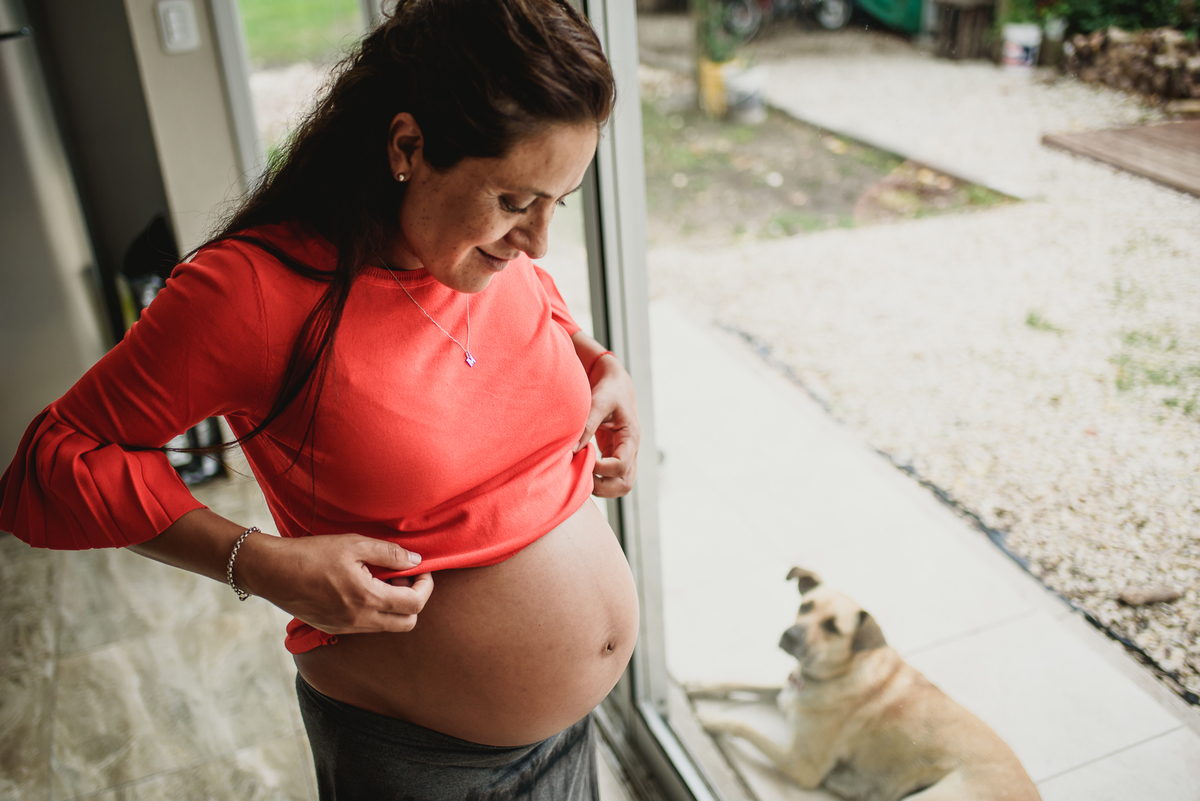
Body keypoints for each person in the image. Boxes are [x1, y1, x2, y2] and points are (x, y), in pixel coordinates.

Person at [0, 0, 641, 797]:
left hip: (568, 736)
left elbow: (531, 301)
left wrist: (593, 361)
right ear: (408, 146)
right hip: (428, 766)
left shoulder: (479, 254)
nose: (538, 240)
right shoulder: (252, 293)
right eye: (516, 202)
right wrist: (258, 561)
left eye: (561, 201)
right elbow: (52, 465)